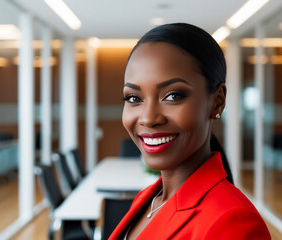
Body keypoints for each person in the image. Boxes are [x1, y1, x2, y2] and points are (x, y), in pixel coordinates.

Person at [109, 23, 271, 240]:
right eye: (134, 98)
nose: (148, 118)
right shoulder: (147, 199)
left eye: (173, 96)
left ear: (217, 102)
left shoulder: (232, 223)